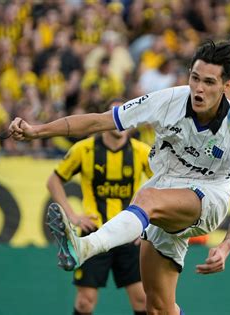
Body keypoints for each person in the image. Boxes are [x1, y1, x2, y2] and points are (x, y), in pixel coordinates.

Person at [10, 40, 230, 314]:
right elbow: (99, 121)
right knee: (157, 308)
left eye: (209, 82)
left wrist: (226, 247)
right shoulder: (167, 101)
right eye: (195, 78)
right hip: (165, 188)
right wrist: (37, 131)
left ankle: (84, 247)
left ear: (227, 86)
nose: (199, 88)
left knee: (146, 197)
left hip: (209, 197)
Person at [46, 99, 151, 315]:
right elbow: (53, 181)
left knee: (141, 298)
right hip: (93, 234)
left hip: (129, 235)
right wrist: (73, 216)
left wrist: (150, 226)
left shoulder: (142, 152)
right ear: (106, 119)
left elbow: (163, 187)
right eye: (117, 116)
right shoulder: (84, 149)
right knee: (85, 301)